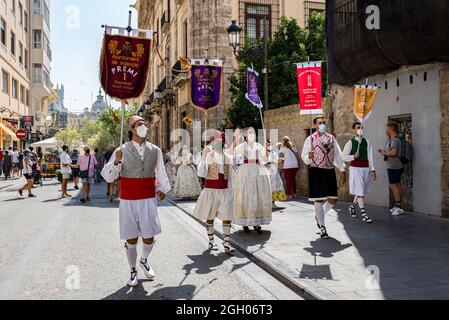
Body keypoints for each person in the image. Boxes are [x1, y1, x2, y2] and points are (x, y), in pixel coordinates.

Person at [102, 116, 170, 288]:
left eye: (145, 125)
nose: (144, 127)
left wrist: (162, 189)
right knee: (131, 238)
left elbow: (160, 171)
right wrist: (116, 160)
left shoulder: (155, 150)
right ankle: (133, 270)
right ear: (132, 129)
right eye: (140, 125)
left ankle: (144, 260)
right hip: (128, 199)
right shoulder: (121, 150)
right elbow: (109, 176)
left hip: (148, 198)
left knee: (149, 237)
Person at [301, 116, 346, 239]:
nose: (322, 124)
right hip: (316, 171)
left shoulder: (331, 138)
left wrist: (342, 169)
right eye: (320, 123)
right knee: (319, 199)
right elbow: (304, 157)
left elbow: (337, 154)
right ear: (315, 125)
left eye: (323, 122)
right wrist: (309, 157)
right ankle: (322, 227)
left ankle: (319, 215)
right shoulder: (310, 139)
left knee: (333, 199)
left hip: (329, 170)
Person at [194, 131, 235, 253]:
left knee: (227, 217)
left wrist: (231, 191)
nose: (219, 143)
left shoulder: (228, 158)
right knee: (210, 217)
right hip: (210, 191)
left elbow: (231, 176)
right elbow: (201, 173)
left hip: (224, 191)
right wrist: (203, 158)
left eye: (221, 141)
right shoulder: (208, 156)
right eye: (216, 141)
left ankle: (226, 244)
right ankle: (211, 241)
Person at [233, 128, 272, 234]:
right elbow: (235, 161)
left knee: (258, 196)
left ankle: (256, 222)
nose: (252, 135)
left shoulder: (259, 146)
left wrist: (266, 148)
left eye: (253, 133)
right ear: (245, 135)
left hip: (258, 171)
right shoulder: (240, 147)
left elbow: (265, 160)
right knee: (246, 196)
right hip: (245, 172)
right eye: (250, 133)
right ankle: (245, 223)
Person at [342, 122, 376, 223]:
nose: (360, 129)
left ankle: (352, 207)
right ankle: (364, 214)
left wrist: (373, 169)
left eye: (361, 128)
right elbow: (343, 157)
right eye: (358, 128)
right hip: (355, 169)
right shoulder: (350, 143)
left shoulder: (367, 142)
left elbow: (370, 157)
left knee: (361, 190)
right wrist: (353, 156)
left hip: (365, 168)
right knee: (360, 192)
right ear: (354, 130)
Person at [378, 122, 404, 216]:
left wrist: (385, 153)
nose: (386, 130)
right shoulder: (394, 140)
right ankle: (398, 205)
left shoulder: (394, 140)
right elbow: (392, 152)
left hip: (394, 166)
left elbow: (393, 153)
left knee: (394, 185)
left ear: (391, 129)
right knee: (396, 184)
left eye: (387, 128)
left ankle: (399, 207)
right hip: (395, 166)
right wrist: (385, 152)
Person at [267, 139, 287, 208]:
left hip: (274, 172)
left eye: (271, 144)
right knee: (268, 188)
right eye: (269, 143)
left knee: (275, 187)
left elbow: (276, 160)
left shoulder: (273, 152)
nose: (270, 145)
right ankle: (268, 203)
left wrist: (280, 160)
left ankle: (273, 202)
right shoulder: (264, 152)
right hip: (267, 172)